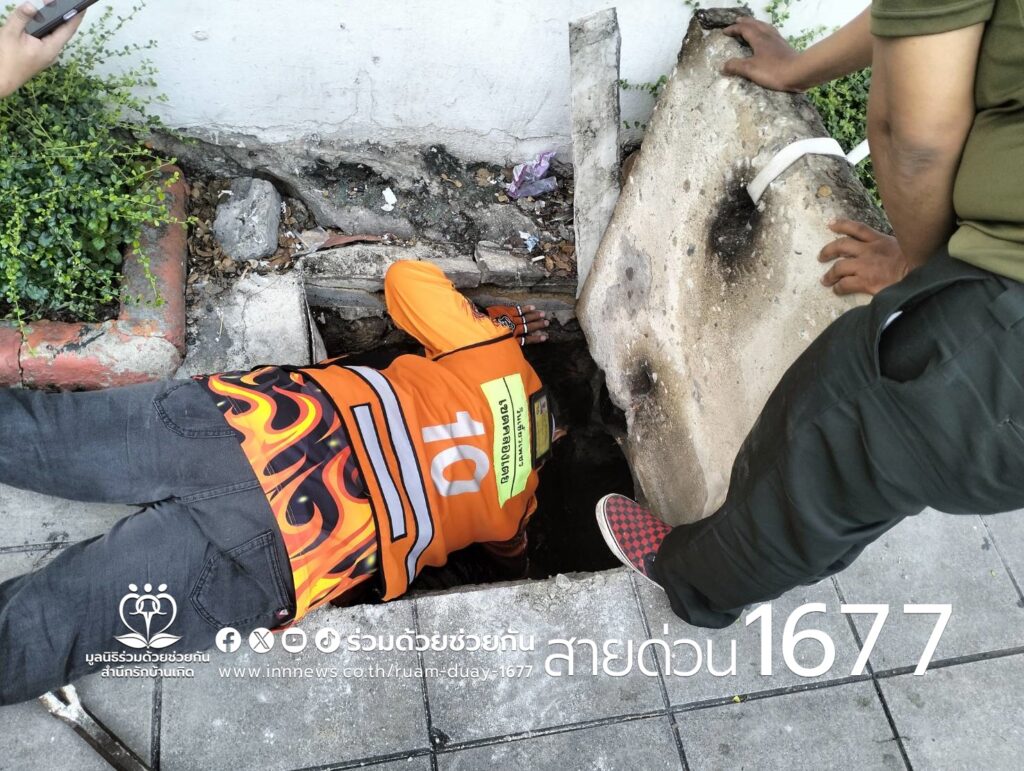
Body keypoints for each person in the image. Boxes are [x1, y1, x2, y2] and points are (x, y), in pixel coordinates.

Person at [0, 6, 561, 705]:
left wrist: (490, 326)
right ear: (556, 442)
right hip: (302, 547)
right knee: (49, 628)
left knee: (38, 435)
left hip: (260, 425)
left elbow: (407, 282)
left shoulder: (498, 360)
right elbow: (511, 558)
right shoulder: (517, 503)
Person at [598, 1, 1024, 627]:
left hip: (1004, 330)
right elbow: (923, 16)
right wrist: (799, 70)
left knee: (826, 456)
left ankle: (695, 583)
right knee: (885, 463)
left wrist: (915, 266)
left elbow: (914, 137)